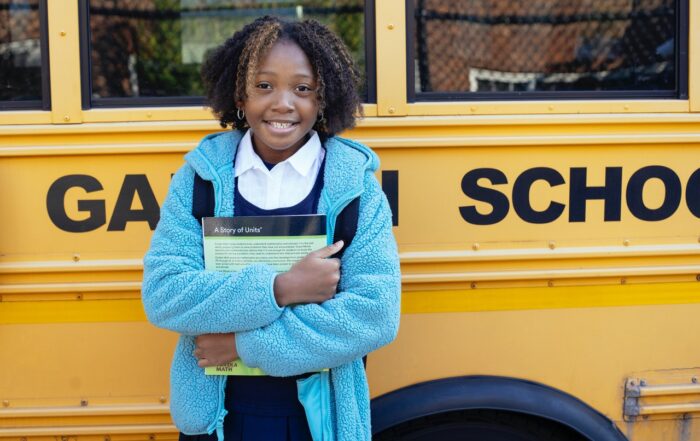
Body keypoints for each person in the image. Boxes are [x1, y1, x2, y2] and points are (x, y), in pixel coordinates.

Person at [141, 15, 401, 441]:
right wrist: (281, 288)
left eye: (302, 88)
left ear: (323, 100)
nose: (283, 103)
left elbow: (374, 316)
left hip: (318, 421)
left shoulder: (353, 189)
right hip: (220, 419)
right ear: (239, 96)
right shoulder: (201, 181)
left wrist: (243, 348)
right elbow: (165, 295)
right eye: (264, 86)